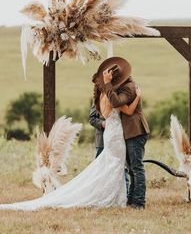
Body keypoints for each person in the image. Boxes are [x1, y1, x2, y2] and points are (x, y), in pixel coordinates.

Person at [0, 57, 140, 211]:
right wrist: (137, 97)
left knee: (113, 166)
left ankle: (116, 196)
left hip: (112, 133)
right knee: (115, 165)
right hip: (115, 134)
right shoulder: (108, 95)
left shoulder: (102, 95)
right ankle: (111, 197)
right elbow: (120, 111)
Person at [102, 57, 150, 209]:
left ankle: (139, 202)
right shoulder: (122, 88)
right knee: (131, 167)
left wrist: (107, 84)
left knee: (136, 167)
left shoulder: (129, 88)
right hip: (129, 132)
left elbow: (117, 104)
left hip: (135, 130)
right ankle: (131, 199)